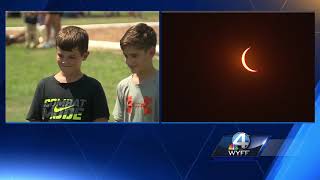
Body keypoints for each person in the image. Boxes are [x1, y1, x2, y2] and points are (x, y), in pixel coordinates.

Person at [27, 26, 110, 122]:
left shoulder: (93, 87)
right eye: (60, 55)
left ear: (85, 55)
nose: (64, 61)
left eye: (71, 57)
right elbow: (33, 122)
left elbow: (101, 124)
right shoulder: (44, 85)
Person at [113, 23, 159, 122]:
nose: (128, 61)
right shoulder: (123, 86)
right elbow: (119, 122)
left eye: (134, 56)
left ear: (151, 52)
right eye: (126, 56)